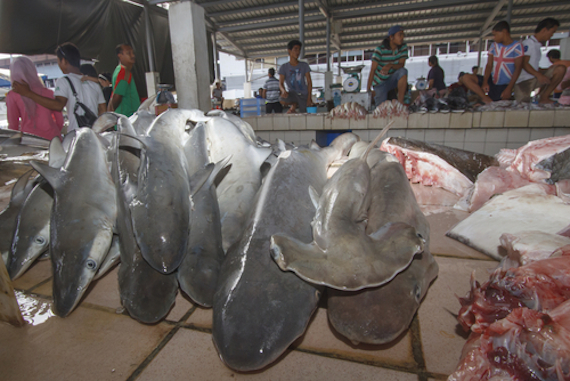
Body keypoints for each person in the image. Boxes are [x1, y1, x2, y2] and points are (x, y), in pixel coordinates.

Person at [12, 42, 106, 133]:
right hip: (94, 136)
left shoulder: (64, 81)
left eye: (58, 61)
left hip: (77, 136)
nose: (59, 65)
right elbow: (103, 111)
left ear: (64, 61)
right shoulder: (93, 84)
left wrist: (28, 93)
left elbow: (58, 105)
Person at [458, 21, 523, 104]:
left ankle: (489, 101)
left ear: (504, 32)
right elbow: (489, 65)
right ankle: (485, 99)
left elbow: (518, 68)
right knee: (466, 77)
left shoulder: (517, 46)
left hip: (505, 85)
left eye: (495, 34)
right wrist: (485, 82)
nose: (494, 37)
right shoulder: (494, 46)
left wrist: (509, 88)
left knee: (500, 106)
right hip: (492, 80)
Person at [6, 56, 64, 140]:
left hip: (29, 141)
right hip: (53, 139)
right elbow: (60, 121)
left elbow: (13, 125)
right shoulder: (49, 92)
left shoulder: (12, 95)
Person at [514, 18, 565, 104]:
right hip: (523, 82)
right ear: (545, 30)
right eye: (552, 32)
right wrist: (539, 75)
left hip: (533, 78)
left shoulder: (537, 45)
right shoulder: (528, 43)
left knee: (560, 69)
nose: (552, 35)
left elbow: (532, 66)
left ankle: (544, 97)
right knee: (523, 106)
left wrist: (544, 71)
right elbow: (524, 63)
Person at [366, 25, 409, 107]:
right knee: (381, 110)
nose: (402, 37)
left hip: (392, 80)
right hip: (379, 83)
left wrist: (390, 65)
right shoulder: (380, 49)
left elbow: (401, 65)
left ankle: (400, 104)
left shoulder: (403, 48)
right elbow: (373, 69)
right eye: (400, 35)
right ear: (391, 37)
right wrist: (368, 90)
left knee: (403, 71)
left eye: (403, 35)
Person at [278, 39, 313, 113]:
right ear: (289, 51)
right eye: (295, 49)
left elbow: (309, 82)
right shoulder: (284, 67)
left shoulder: (304, 65)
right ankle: (294, 104)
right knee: (281, 99)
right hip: (292, 94)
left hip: (303, 94)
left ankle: (294, 108)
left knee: (303, 114)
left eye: (299, 50)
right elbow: (280, 83)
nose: (298, 52)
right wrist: (283, 90)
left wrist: (309, 98)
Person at [109, 43, 140, 117]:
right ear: (120, 55)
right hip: (127, 117)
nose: (133, 56)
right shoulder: (124, 71)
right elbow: (117, 96)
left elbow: (113, 96)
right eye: (128, 53)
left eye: (133, 53)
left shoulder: (119, 70)